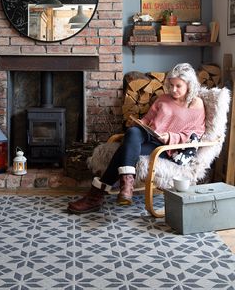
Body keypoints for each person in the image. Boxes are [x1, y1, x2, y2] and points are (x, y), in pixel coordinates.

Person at [68, 63, 205, 214]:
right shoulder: (163, 98)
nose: (173, 90)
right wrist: (141, 123)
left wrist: (171, 137)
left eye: (178, 86)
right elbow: (148, 119)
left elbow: (196, 133)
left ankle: (98, 196)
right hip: (150, 134)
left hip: (166, 147)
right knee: (133, 131)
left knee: (123, 151)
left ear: (189, 84)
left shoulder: (195, 104)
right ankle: (125, 187)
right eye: (171, 85)